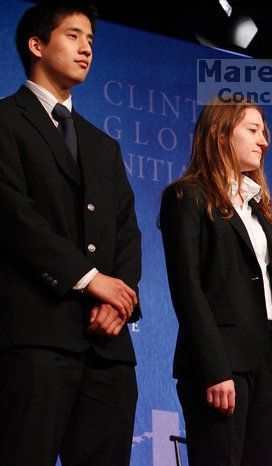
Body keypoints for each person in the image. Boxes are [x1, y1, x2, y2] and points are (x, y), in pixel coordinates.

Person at [0, 2, 141, 465]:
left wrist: (119, 298)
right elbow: (14, 217)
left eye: (91, 41)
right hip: (36, 336)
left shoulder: (103, 144)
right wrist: (88, 278)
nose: (86, 49)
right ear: (37, 45)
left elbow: (126, 232)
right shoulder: (5, 122)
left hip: (107, 346)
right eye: (73, 36)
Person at [159, 97, 272, 465]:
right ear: (220, 135)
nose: (264, 141)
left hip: (269, 367)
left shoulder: (258, 211)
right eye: (253, 130)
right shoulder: (187, 197)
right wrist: (214, 368)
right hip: (220, 365)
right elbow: (187, 289)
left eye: (265, 133)